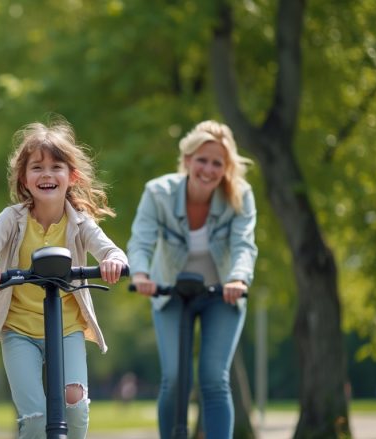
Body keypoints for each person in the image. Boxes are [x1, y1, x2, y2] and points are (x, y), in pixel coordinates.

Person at [0, 117, 128, 439]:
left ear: (72, 176)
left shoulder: (80, 222)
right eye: (37, 168)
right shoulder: (12, 219)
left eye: (56, 167)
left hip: (66, 328)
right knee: (36, 420)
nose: (47, 174)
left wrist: (113, 263)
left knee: (75, 405)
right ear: (24, 179)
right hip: (19, 330)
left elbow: (113, 252)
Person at [127, 120, 257, 438]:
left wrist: (239, 280)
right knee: (174, 378)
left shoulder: (239, 196)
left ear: (226, 168)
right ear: (187, 160)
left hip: (221, 294)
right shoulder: (157, 193)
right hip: (170, 290)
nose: (208, 169)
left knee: (214, 378)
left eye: (217, 163)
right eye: (202, 160)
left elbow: (244, 245)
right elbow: (140, 241)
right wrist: (141, 274)